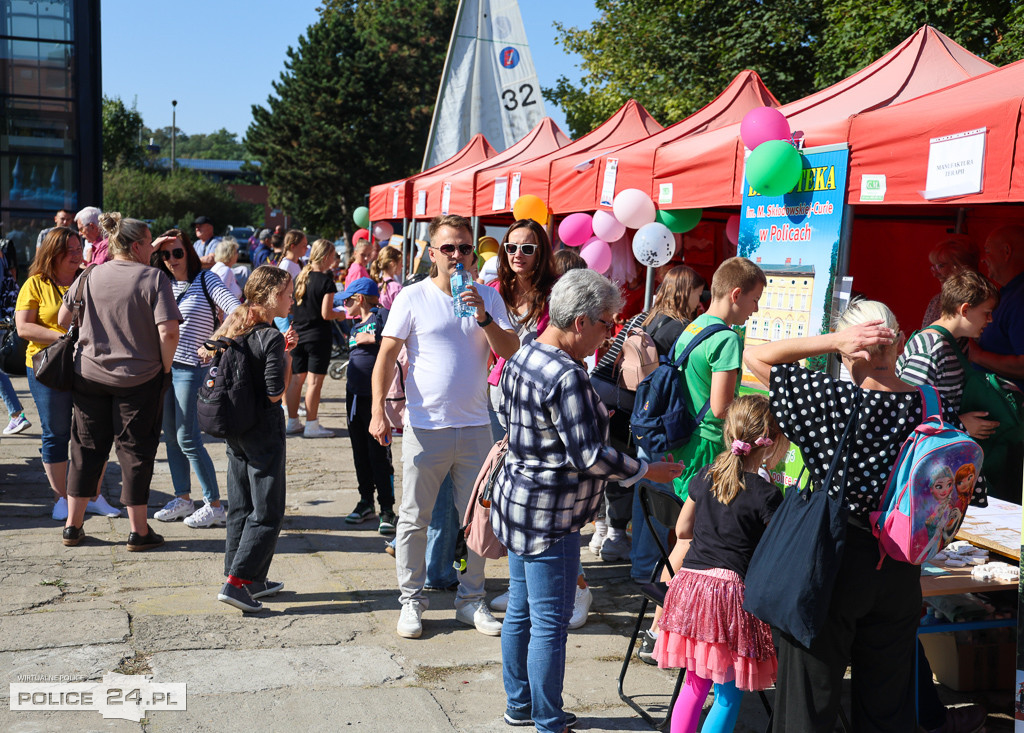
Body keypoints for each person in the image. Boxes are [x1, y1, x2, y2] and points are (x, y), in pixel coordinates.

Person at [743, 298, 987, 732]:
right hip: (900, 567)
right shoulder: (934, 406)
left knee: (808, 700)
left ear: (846, 349)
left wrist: (835, 340)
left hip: (832, 560)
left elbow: (756, 354)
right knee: (887, 706)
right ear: (901, 342)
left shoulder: (830, 401)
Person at [491, 268, 683, 733]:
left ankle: (520, 705)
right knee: (550, 622)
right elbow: (590, 457)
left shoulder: (524, 354)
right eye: (607, 323)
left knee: (522, 610)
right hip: (550, 514)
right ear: (580, 322)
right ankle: (547, 718)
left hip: (518, 502)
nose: (611, 333)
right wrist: (645, 470)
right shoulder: (567, 376)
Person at [369, 214, 519, 639]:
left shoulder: (488, 295)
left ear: (474, 253)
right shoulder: (412, 297)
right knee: (415, 518)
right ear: (431, 252)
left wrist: (484, 316)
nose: (457, 256)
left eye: (465, 248)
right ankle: (411, 602)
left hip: (475, 427)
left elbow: (511, 349)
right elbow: (385, 357)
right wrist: (378, 410)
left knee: (478, 520)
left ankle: (470, 600)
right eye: (448, 248)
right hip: (426, 426)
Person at [653, 395, 782, 733]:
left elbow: (682, 529)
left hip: (690, 587)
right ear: (768, 443)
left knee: (695, 685)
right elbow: (776, 552)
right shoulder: (767, 495)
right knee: (728, 693)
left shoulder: (708, 475)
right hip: (729, 595)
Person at [58, 213, 182, 550]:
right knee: (136, 452)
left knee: (85, 448)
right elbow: (169, 331)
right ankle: (139, 531)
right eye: (150, 241)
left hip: (89, 374)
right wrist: (165, 368)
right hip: (139, 378)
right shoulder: (153, 278)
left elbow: (62, 318)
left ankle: (73, 526)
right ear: (139, 244)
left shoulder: (90, 274)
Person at [201, 266, 297, 613]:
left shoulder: (237, 326)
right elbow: (275, 394)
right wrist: (285, 355)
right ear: (270, 296)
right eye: (288, 294)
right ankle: (238, 582)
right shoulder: (270, 337)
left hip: (236, 429)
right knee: (268, 509)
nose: (292, 300)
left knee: (240, 505)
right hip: (262, 430)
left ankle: (248, 577)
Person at [14, 227, 122, 519]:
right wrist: (65, 338)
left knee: (95, 432)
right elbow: (24, 328)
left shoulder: (89, 278)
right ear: (53, 253)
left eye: (79, 249)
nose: (78, 254)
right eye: (71, 250)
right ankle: (61, 497)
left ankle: (94, 495)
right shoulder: (35, 284)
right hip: (49, 367)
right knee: (56, 433)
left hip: (90, 365)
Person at [149, 229, 241, 528]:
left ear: (189, 251)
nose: (172, 259)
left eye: (177, 252)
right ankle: (183, 498)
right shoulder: (159, 281)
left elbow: (237, 311)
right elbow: (131, 269)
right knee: (171, 438)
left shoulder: (206, 279)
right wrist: (154, 247)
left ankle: (214, 504)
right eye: (165, 254)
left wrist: (214, 342)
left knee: (188, 438)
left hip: (192, 369)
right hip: (163, 369)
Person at [898, 269, 1000, 438]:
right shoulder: (929, 348)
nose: (990, 320)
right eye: (986, 313)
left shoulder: (959, 342)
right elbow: (907, 412)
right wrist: (960, 424)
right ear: (965, 310)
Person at [339, 277, 395, 534]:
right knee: (359, 453)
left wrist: (372, 338)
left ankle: (387, 509)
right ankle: (365, 501)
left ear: (359, 299)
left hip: (375, 399)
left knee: (379, 455)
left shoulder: (380, 315)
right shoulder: (353, 327)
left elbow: (394, 343)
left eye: (348, 301)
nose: (344, 306)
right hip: (354, 398)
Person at [285, 239, 345, 438]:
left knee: (295, 381)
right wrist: (341, 314)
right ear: (326, 256)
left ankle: (292, 422)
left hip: (298, 334)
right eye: (333, 255)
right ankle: (312, 425)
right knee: (314, 383)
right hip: (318, 336)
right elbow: (326, 313)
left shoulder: (302, 277)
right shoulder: (326, 281)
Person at [920, 237, 980, 328]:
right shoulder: (936, 302)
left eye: (940, 266)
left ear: (961, 266)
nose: (935, 274)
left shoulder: (979, 300)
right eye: (934, 267)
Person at [371, 244, 403, 310]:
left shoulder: (377, 284)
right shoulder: (396, 288)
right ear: (392, 264)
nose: (402, 266)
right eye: (401, 263)